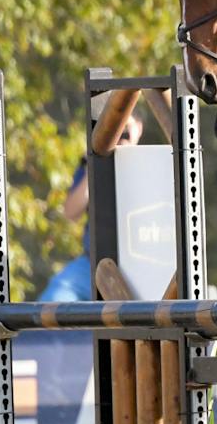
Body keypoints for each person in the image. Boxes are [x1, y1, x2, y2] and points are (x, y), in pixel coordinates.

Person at [38, 114, 143, 301]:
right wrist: (94, 167)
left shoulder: (152, 164)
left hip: (140, 264)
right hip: (92, 264)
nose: (120, 136)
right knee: (51, 304)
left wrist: (130, 161)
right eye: (115, 130)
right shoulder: (91, 163)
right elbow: (70, 213)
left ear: (139, 128)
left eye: (125, 130)